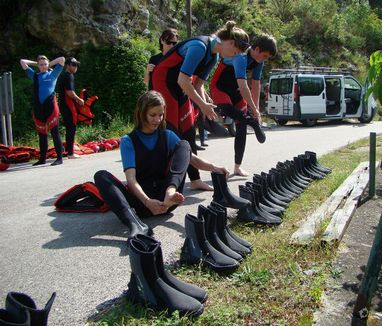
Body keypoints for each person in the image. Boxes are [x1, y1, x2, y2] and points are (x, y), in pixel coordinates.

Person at [94, 90, 229, 223]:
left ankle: (170, 191)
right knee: (101, 176)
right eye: (153, 115)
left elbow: (192, 159)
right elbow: (131, 180)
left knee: (184, 145)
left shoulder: (167, 135)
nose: (157, 120)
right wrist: (147, 202)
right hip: (142, 204)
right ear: (142, 114)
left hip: (167, 200)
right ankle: (133, 224)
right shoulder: (128, 141)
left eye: (160, 115)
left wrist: (215, 168)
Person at [151, 21, 250, 191]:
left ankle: (195, 180)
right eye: (234, 53)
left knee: (189, 131)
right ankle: (163, 180)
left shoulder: (215, 55)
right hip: (164, 82)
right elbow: (183, 80)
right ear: (230, 43)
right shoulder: (199, 47)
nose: (233, 57)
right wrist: (202, 105)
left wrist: (207, 102)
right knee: (174, 134)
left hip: (181, 86)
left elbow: (197, 85)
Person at [210, 34, 277, 176]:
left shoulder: (259, 62)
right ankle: (252, 123)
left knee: (241, 127)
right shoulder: (241, 56)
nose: (265, 59)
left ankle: (237, 167)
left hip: (235, 90)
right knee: (228, 109)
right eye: (264, 56)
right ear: (256, 49)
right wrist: (253, 112)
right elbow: (244, 85)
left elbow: (255, 84)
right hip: (220, 87)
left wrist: (256, 109)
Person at [20, 55, 65, 166]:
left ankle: (59, 158)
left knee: (55, 132)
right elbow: (22, 62)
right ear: (38, 66)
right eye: (41, 65)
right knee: (42, 134)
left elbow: (62, 59)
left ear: (48, 64)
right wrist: (36, 63)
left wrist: (49, 63)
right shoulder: (34, 75)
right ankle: (42, 158)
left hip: (51, 106)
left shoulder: (53, 74)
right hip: (39, 107)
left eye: (45, 64)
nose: (43, 66)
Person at [57, 57, 85, 159]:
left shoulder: (63, 76)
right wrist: (79, 100)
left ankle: (69, 151)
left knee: (70, 128)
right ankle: (70, 153)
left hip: (64, 105)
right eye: (73, 64)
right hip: (68, 105)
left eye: (76, 64)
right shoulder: (69, 76)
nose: (75, 67)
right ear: (67, 65)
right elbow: (70, 92)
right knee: (71, 128)